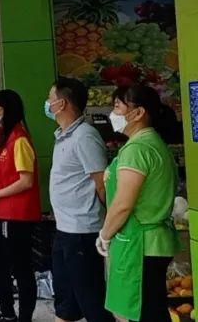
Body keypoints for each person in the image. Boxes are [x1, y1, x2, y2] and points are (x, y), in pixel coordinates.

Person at [99, 85, 180, 322]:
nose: (113, 113)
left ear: (138, 113)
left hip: (141, 245)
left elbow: (123, 204)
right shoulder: (151, 143)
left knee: (141, 312)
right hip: (149, 242)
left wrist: (104, 235)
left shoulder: (137, 148)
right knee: (151, 309)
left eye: (117, 106)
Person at [45, 78, 113, 322]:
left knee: (91, 299)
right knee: (66, 300)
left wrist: (108, 224)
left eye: (50, 99)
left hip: (83, 231)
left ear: (61, 103)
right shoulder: (63, 135)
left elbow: (102, 183)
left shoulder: (85, 136)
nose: (47, 103)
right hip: (64, 229)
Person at [0, 90, 42, 322]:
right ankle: (7, 312)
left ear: (7, 108)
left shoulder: (19, 139)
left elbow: (26, 181)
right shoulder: (7, 138)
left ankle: (22, 317)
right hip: (4, 212)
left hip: (17, 215)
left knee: (20, 268)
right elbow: (9, 177)